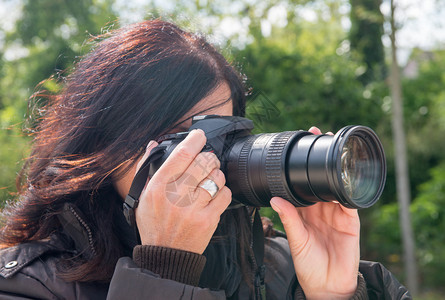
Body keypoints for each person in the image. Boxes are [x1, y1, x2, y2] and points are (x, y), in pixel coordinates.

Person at [0, 19, 410, 299]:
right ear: (103, 150)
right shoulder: (29, 285)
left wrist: (336, 294)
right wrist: (164, 271)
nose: (207, 160)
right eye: (180, 139)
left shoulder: (281, 268)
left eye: (223, 135)